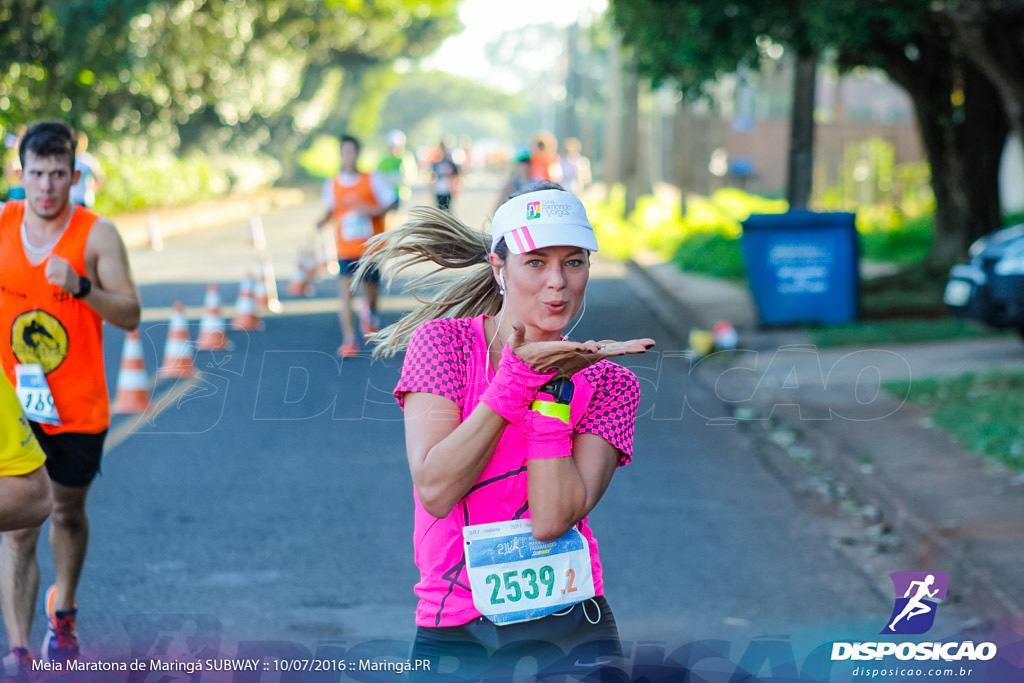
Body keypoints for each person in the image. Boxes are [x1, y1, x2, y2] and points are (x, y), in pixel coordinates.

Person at [358, 182, 654, 680]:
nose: (557, 282)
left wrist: (552, 393)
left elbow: (552, 521)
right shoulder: (445, 345)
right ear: (501, 269)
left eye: (574, 262)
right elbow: (435, 488)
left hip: (572, 628)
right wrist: (517, 379)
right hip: (457, 628)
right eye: (535, 262)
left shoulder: (610, 382)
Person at [0, 120, 141, 669]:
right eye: (37, 174)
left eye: (59, 174)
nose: (47, 187)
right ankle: (19, 651)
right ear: (21, 174)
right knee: (17, 531)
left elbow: (131, 314)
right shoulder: (4, 226)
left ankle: (65, 608)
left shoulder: (96, 234)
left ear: (75, 175)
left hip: (77, 404)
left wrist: (81, 286)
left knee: (65, 514)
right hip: (14, 406)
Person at [316, 134, 397, 357]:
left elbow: (393, 202)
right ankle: (349, 340)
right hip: (345, 249)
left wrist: (370, 210)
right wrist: (321, 222)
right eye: (344, 153)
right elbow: (330, 210)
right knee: (345, 296)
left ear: (358, 154)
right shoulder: (332, 184)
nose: (348, 157)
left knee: (371, 293)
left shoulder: (373, 179)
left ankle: (369, 312)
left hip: (371, 249)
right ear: (341, 155)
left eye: (351, 152)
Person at [377, 129, 415, 229]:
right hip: (387, 195)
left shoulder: (406, 158)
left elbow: (410, 175)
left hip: (402, 194)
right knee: (389, 219)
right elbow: (378, 177)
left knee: (401, 217)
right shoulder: (384, 160)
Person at [68, 132, 104, 209]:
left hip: (79, 200)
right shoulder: (88, 160)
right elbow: (100, 178)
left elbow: (99, 178)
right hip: (80, 199)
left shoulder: (86, 160)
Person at [494, 148, 535, 213]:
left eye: (527, 163)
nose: (525, 166)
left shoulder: (537, 182)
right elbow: (496, 210)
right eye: (522, 163)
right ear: (516, 165)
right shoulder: (511, 186)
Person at [430, 141, 460, 211]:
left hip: (447, 190)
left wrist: (455, 188)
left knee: (447, 209)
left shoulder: (450, 163)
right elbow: (433, 176)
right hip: (439, 190)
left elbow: (455, 176)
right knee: (439, 209)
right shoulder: (436, 163)